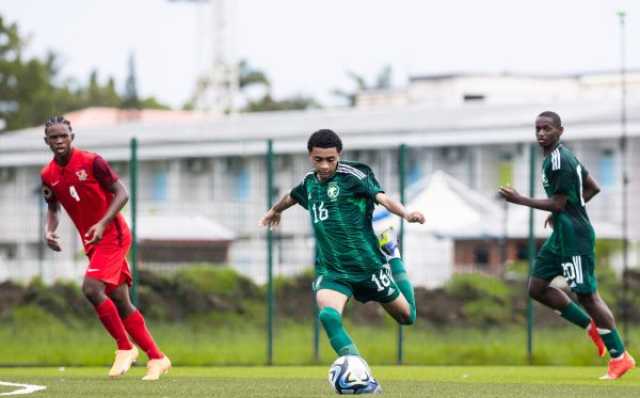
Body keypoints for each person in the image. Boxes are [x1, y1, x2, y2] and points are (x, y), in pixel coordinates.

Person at [259, 129, 425, 390]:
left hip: (369, 266)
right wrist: (273, 210)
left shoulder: (353, 176)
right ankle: (359, 374)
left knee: (407, 317)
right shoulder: (309, 183)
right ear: (310, 156)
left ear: (339, 155)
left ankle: (393, 256)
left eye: (330, 159)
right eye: (318, 159)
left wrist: (406, 214)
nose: (324, 165)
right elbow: (291, 197)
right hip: (333, 270)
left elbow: (382, 198)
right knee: (328, 316)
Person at [499, 111, 635, 380]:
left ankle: (620, 357)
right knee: (537, 288)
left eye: (546, 128)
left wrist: (521, 199)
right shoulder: (559, 157)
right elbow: (592, 188)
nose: (540, 133)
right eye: (537, 128)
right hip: (560, 235)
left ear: (560, 131)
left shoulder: (559, 161)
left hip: (575, 238)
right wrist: (564, 210)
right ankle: (590, 327)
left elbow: (560, 202)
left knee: (587, 296)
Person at [40, 116, 171, 380]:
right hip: (94, 242)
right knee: (121, 301)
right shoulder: (48, 175)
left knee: (91, 288)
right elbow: (53, 207)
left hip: (114, 234)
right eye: (54, 137)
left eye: (63, 135)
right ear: (47, 141)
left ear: (72, 137)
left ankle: (125, 348)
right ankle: (157, 358)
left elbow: (122, 193)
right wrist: (49, 230)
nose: (59, 140)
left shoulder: (92, 162)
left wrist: (102, 223)